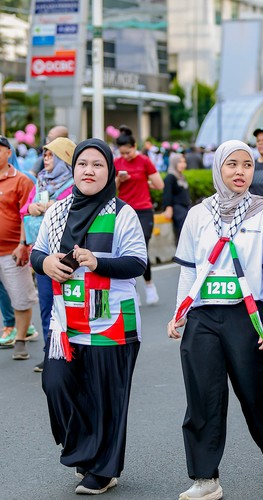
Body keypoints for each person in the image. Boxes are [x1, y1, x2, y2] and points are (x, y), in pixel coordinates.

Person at [168, 140, 263, 500]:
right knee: (203, 396)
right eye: (232, 164)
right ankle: (205, 477)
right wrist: (179, 312)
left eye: (247, 165)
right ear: (218, 168)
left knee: (255, 390)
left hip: (246, 313)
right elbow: (189, 269)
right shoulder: (199, 214)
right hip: (203, 314)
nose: (240, 172)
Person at [30, 138, 147, 495]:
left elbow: (137, 263)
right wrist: (47, 263)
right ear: (74, 169)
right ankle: (86, 450)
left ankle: (103, 470)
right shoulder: (58, 211)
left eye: (98, 165)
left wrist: (98, 262)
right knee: (56, 385)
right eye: (83, 164)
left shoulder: (122, 213)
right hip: (65, 323)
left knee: (106, 399)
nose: (89, 171)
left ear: (109, 171)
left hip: (112, 323)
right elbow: (38, 252)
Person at [20, 137, 76, 372]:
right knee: (46, 305)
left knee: (69, 305)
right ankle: (50, 352)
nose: (46, 158)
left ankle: (73, 351)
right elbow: (24, 208)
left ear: (65, 159)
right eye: (45, 153)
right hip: (43, 255)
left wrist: (54, 207)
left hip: (67, 255)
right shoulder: (41, 181)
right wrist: (32, 207)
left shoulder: (75, 185)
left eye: (52, 154)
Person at [115, 125, 164, 305]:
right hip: (124, 212)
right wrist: (119, 180)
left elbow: (160, 185)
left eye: (128, 152)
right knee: (124, 250)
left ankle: (149, 285)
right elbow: (111, 190)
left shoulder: (144, 161)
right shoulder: (117, 163)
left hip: (143, 211)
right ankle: (132, 290)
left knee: (140, 248)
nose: (126, 156)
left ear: (135, 146)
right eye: (122, 153)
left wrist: (145, 181)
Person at [0, 135, 38, 359]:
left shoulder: (22, 181)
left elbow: (27, 216)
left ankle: (21, 340)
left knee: (21, 297)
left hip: (12, 251)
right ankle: (10, 327)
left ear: (8, 153)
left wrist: (23, 244)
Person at [162, 153, 191, 242]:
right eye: (179, 162)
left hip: (185, 208)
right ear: (174, 163)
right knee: (182, 234)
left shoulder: (181, 177)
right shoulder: (170, 177)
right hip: (178, 209)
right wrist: (168, 208)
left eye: (184, 162)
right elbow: (167, 193)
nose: (183, 164)